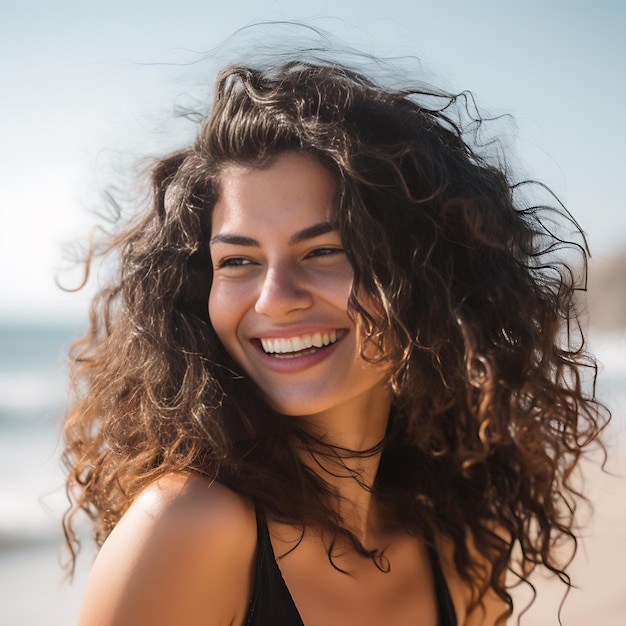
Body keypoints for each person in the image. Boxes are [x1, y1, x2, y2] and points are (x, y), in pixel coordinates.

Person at [62, 40, 608, 626]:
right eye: (238, 262)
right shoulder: (186, 530)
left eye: (324, 251)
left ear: (427, 276)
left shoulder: (462, 544)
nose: (274, 299)